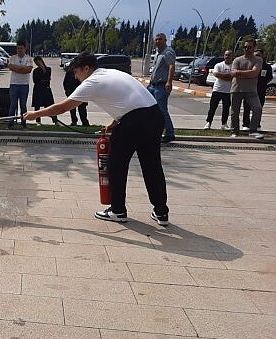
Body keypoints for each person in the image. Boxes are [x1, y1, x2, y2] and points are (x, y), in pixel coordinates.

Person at [23, 52, 169, 226]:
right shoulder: (111, 73)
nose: (76, 78)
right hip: (154, 117)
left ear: (86, 68)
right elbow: (132, 99)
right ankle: (161, 212)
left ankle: (118, 210)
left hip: (134, 122)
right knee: (152, 166)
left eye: (76, 73)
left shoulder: (92, 81)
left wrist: (34, 114)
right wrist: (115, 122)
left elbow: (62, 108)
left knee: (116, 165)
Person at [230, 39, 264, 139]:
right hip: (236, 89)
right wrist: (248, 73)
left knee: (257, 109)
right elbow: (233, 73)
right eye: (245, 47)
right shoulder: (237, 60)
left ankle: (253, 130)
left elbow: (254, 73)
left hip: (251, 90)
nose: (246, 49)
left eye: (249, 47)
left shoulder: (258, 60)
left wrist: (239, 73)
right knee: (234, 112)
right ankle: (234, 131)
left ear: (253, 48)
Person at [148, 33, 176, 143]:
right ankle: (154, 131)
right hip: (153, 86)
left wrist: (169, 82)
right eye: (156, 39)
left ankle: (169, 133)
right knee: (151, 110)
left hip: (161, 86)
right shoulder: (157, 53)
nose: (157, 41)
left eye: (160, 39)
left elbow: (171, 66)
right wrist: (150, 82)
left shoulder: (168, 52)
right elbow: (156, 69)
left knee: (162, 110)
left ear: (165, 40)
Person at [241, 49, 272, 132]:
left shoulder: (267, 67)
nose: (256, 57)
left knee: (259, 108)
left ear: (262, 56)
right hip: (249, 89)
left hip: (260, 91)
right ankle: (246, 124)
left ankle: (257, 124)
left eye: (258, 55)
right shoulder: (250, 64)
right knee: (247, 108)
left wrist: (262, 83)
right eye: (255, 55)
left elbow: (269, 78)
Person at [204, 50, 233, 130]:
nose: (227, 56)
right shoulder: (219, 65)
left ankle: (224, 124)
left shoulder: (234, 66)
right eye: (226, 55)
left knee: (226, 109)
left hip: (228, 91)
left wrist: (225, 76)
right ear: (224, 56)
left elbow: (234, 76)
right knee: (212, 107)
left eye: (229, 55)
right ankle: (208, 123)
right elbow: (216, 74)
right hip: (217, 90)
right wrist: (228, 76)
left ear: (232, 56)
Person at [7, 40, 33, 128]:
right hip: (14, 84)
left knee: (23, 105)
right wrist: (22, 68)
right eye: (18, 48)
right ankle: (10, 123)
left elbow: (29, 69)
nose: (19, 50)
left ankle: (24, 123)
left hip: (24, 85)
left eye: (21, 48)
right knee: (13, 105)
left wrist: (17, 69)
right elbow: (10, 67)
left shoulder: (28, 58)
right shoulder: (12, 58)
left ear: (25, 48)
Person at [31, 56, 59, 125]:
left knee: (50, 105)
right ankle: (38, 121)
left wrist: (43, 72)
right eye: (36, 62)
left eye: (38, 61)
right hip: (38, 89)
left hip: (46, 89)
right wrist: (43, 80)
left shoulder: (48, 69)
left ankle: (55, 120)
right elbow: (35, 80)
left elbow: (48, 78)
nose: (38, 63)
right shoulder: (35, 71)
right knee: (37, 106)